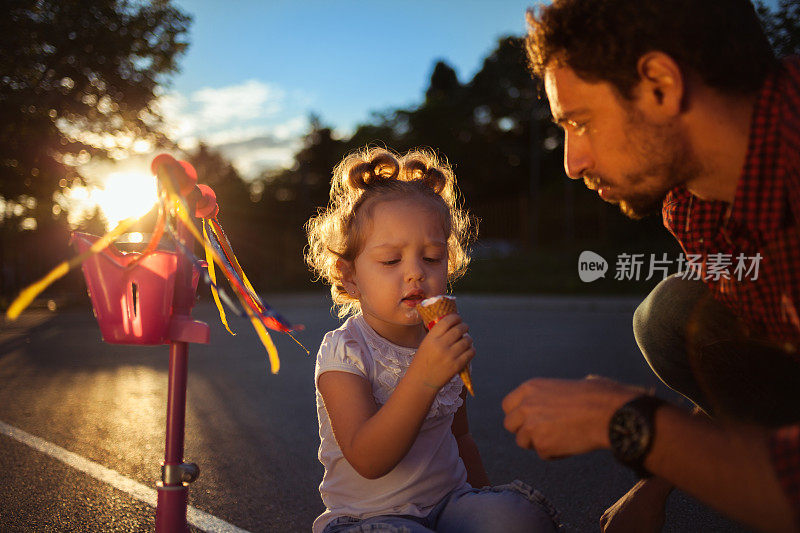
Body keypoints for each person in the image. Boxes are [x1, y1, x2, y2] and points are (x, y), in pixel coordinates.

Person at [502, 0, 800, 531]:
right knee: (672, 315)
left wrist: (627, 423)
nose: (572, 164)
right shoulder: (692, 206)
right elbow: (756, 363)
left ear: (661, 84)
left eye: (580, 122)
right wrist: (657, 481)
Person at [305, 147, 561, 533]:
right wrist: (425, 376)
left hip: (448, 505)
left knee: (517, 518)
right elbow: (368, 458)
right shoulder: (346, 351)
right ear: (349, 275)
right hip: (370, 519)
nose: (415, 274)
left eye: (432, 257)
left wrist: (483, 503)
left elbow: (461, 437)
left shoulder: (440, 339)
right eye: (391, 261)